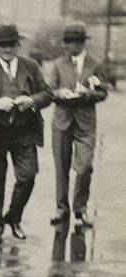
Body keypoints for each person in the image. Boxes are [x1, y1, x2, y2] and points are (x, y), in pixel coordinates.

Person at [0, 24, 53, 244]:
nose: (7, 49)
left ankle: (13, 216)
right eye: (3, 45)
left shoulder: (30, 66)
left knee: (28, 177)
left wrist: (31, 101)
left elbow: (48, 93)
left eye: (12, 44)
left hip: (24, 132)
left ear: (18, 45)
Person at [49, 21, 108, 227]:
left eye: (74, 42)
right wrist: (60, 93)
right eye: (67, 42)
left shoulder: (96, 64)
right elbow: (50, 91)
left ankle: (80, 209)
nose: (70, 46)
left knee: (84, 168)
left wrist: (87, 93)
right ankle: (61, 208)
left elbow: (103, 92)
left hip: (86, 124)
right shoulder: (58, 64)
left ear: (83, 43)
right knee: (61, 168)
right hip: (62, 122)